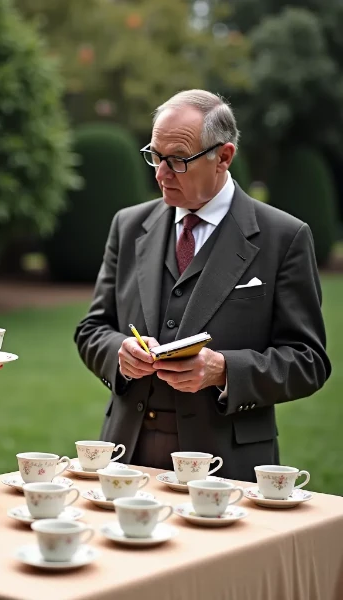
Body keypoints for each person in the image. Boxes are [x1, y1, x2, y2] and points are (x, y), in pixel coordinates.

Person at [74, 89, 330, 481]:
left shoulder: (285, 236)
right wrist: (118, 356)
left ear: (223, 157)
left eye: (176, 160)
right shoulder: (127, 226)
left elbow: (309, 361)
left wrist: (225, 370)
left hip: (226, 464)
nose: (159, 173)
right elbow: (91, 330)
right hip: (125, 454)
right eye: (155, 155)